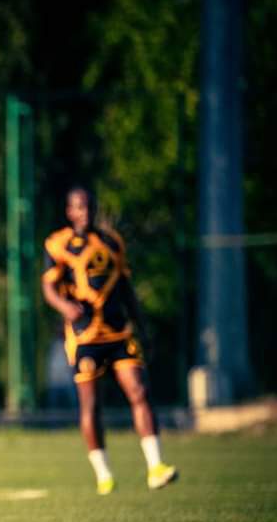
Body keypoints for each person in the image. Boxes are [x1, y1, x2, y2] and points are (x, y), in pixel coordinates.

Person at [42, 185, 178, 495]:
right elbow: (48, 287)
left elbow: (126, 288)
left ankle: (156, 467)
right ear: (69, 211)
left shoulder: (112, 242)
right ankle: (104, 474)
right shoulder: (58, 245)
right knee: (91, 404)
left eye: (89, 206)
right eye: (78, 207)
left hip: (118, 332)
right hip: (85, 336)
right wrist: (65, 306)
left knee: (139, 390)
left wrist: (143, 328)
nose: (85, 212)